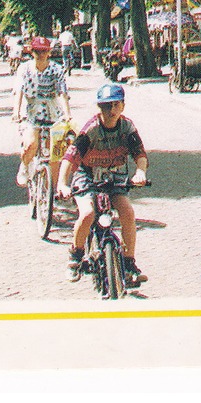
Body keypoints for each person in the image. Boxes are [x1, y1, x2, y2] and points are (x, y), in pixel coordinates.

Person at [58, 82, 149, 287]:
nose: (111, 110)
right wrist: (62, 184)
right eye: (106, 106)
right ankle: (75, 257)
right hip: (87, 175)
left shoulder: (127, 127)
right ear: (99, 108)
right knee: (88, 213)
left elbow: (139, 154)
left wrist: (140, 172)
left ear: (123, 106)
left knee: (127, 212)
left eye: (115, 105)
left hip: (114, 176)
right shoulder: (91, 130)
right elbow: (70, 157)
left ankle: (129, 263)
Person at [13, 36, 71, 187]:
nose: (41, 54)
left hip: (53, 113)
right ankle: (24, 167)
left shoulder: (57, 69)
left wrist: (67, 114)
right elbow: (19, 90)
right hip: (32, 112)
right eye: (37, 51)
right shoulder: (24, 69)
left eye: (44, 51)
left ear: (49, 52)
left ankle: (53, 193)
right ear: (31, 52)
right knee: (31, 144)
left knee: (56, 153)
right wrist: (16, 111)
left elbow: (62, 92)